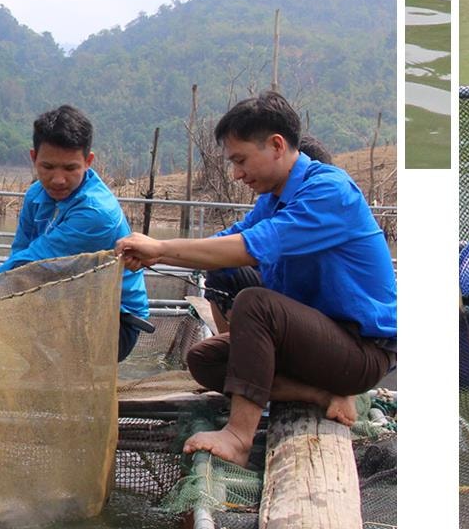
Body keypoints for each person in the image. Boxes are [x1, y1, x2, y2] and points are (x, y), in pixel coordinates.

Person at [116, 92, 396, 465]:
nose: (236, 173)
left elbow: (251, 246)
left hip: (360, 350)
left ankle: (238, 435)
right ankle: (319, 394)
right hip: (316, 346)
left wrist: (163, 248)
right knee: (206, 360)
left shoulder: (329, 191)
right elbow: (224, 242)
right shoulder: (273, 198)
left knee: (255, 302)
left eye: (241, 160)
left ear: (277, 145)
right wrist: (158, 253)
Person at [0, 103, 151, 360]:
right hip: (61, 302)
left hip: (113, 324)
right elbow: (20, 252)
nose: (58, 179)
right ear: (33, 158)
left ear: (88, 162)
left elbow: (35, 262)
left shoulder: (97, 213)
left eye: (70, 168)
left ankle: (48, 369)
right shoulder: (35, 195)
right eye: (47, 167)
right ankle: (39, 365)